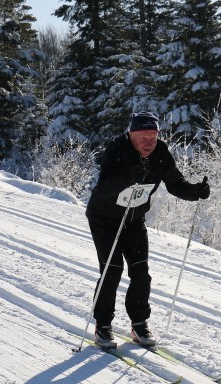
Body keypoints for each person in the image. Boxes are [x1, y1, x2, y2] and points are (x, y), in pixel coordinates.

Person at [86, 111, 210, 349]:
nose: (149, 142)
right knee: (112, 270)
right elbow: (103, 189)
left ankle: (139, 323)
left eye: (153, 136)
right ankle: (103, 326)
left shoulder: (161, 153)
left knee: (141, 271)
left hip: (133, 219)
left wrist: (195, 192)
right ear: (131, 134)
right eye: (143, 136)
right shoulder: (116, 150)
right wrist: (128, 177)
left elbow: (176, 184)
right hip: (104, 219)